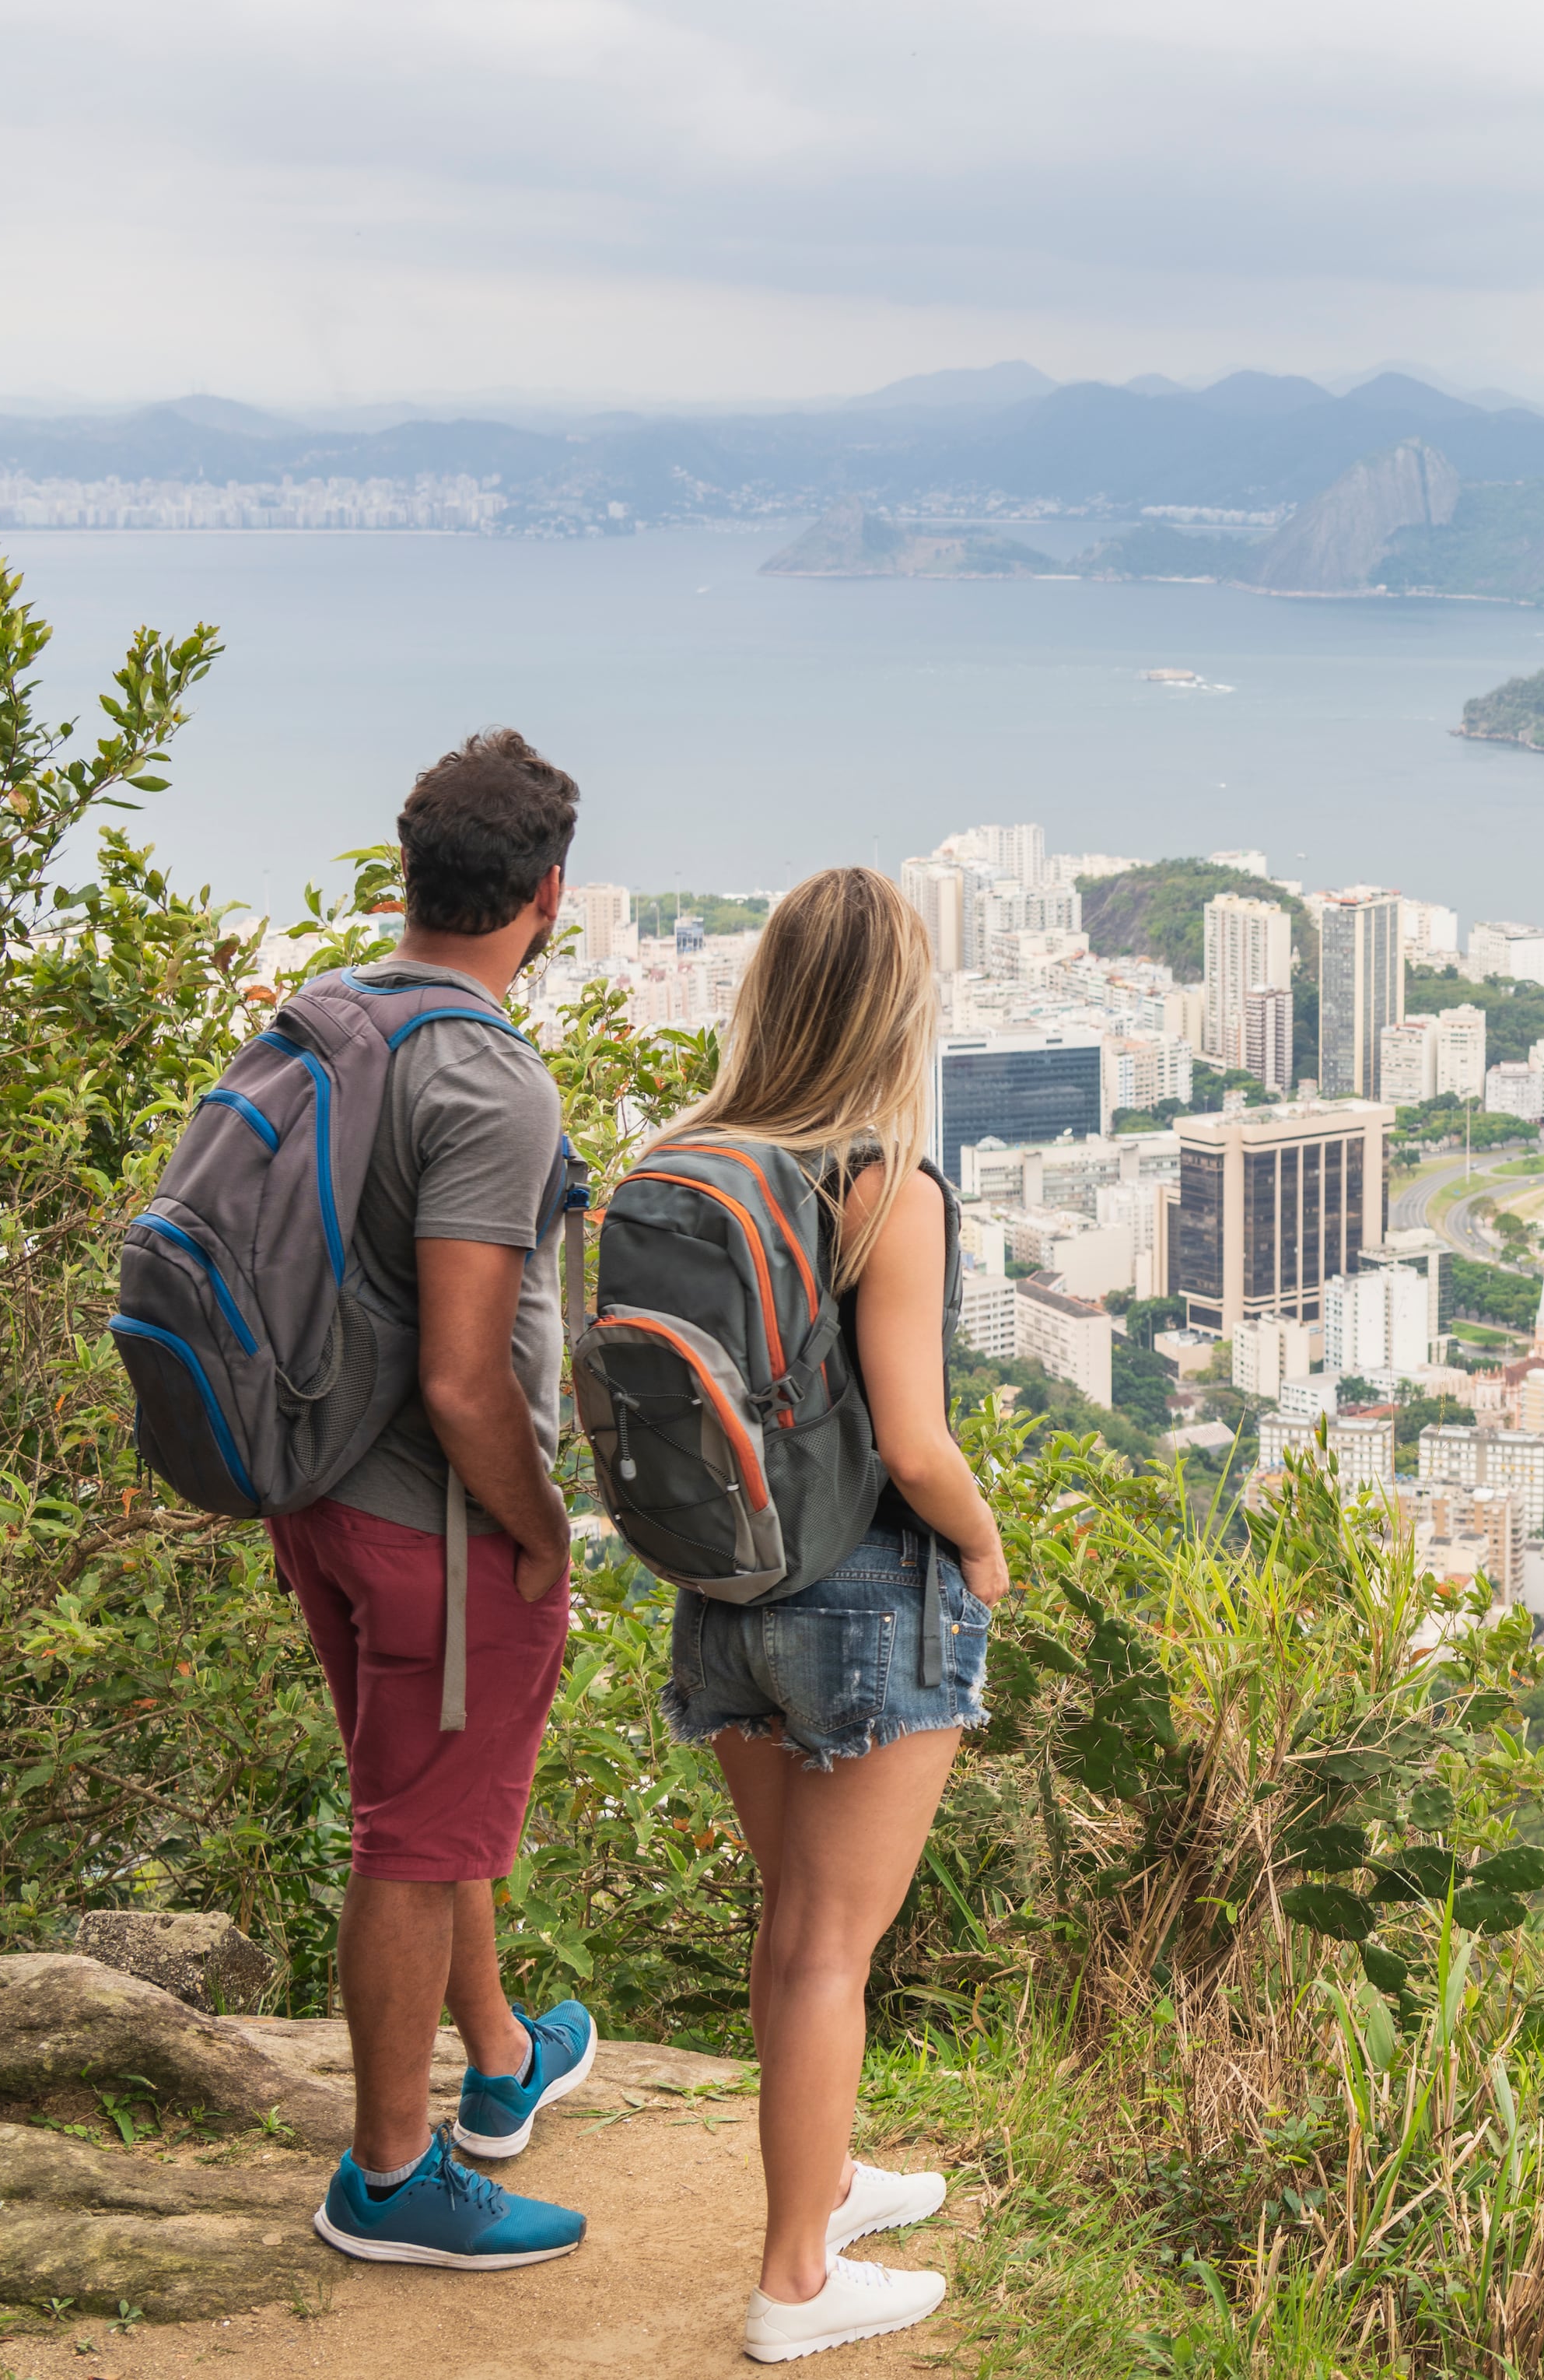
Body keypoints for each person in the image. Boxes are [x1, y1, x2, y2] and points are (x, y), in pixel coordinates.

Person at [646, 867, 1010, 2363]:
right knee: (828, 1950)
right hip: (864, 1596)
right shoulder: (886, 1182)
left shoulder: (683, 1159)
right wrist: (984, 1551)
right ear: (896, 1012)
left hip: (724, 1588)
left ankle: (830, 2182)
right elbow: (913, 1442)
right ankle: (795, 2281)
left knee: (793, 1927)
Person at [294, 731, 604, 2270]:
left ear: (413, 872)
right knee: (415, 1837)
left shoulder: (333, 1015)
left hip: (320, 1486)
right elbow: (469, 1380)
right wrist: (539, 1527)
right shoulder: (486, 1076)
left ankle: (499, 2053)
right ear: (547, 895)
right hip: (434, 1516)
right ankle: (390, 2174)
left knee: (436, 1792)